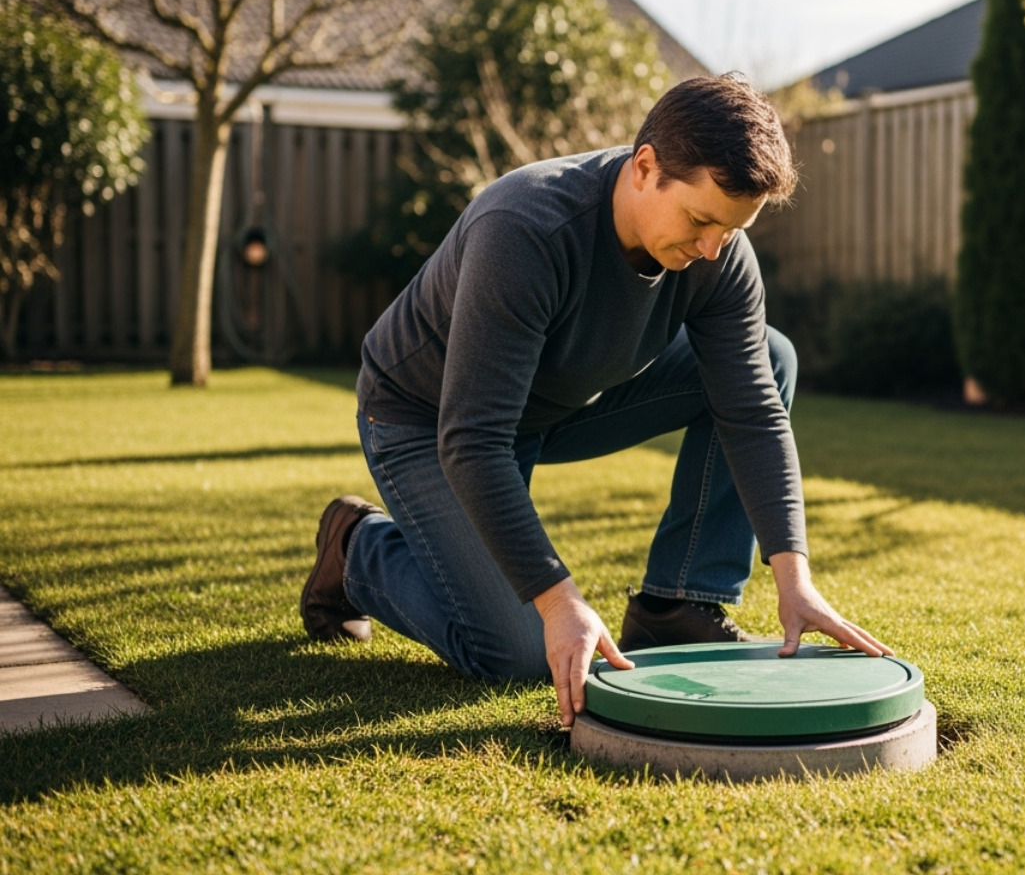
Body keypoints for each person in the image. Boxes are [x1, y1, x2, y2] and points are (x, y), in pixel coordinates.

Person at [300, 74, 889, 727]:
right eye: (700, 221)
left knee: (770, 359)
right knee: (520, 650)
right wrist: (559, 602)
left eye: (730, 230)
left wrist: (793, 576)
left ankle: (678, 607)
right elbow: (473, 439)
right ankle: (357, 550)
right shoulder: (524, 229)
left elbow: (750, 411)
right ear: (645, 168)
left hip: (559, 404)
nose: (711, 250)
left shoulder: (718, 255)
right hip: (425, 419)